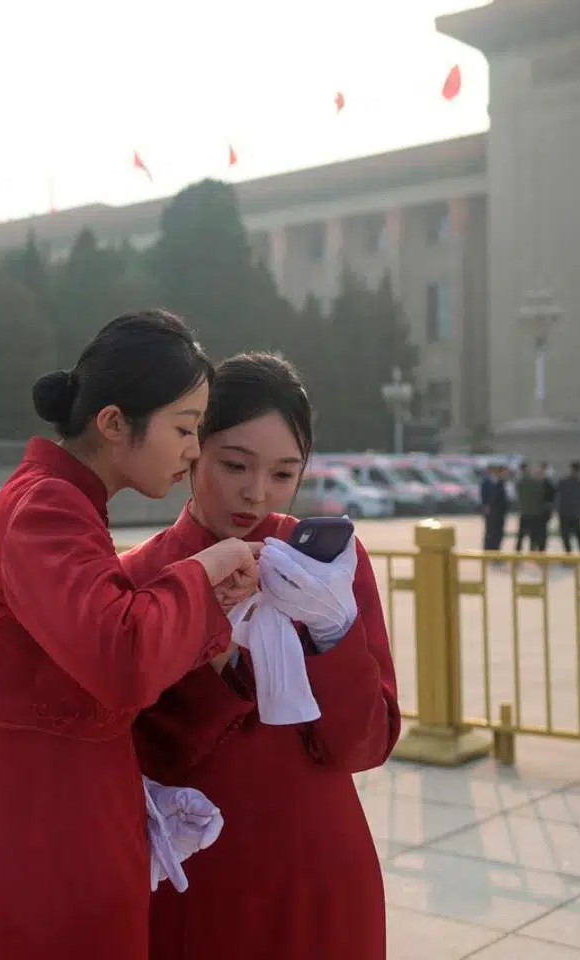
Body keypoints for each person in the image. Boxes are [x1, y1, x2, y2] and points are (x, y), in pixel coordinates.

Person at [0, 310, 261, 960]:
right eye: (182, 429)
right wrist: (200, 575)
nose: (193, 450)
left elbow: (101, 637)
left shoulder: (62, 503)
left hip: (60, 828)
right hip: (49, 851)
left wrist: (198, 609)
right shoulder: (47, 508)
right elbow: (120, 656)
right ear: (115, 423)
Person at [120, 352, 398, 960]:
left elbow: (366, 745)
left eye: (282, 473)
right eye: (235, 465)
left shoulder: (327, 570)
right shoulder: (138, 578)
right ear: (193, 451)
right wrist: (206, 635)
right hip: (203, 878)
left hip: (322, 871)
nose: (256, 493)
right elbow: (144, 754)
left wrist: (333, 634)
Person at [557, 461, 580, 553]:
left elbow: (558, 494)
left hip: (565, 512)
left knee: (566, 536)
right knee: (579, 536)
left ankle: (568, 555)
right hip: (575, 513)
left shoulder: (563, 481)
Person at [480, 464, 508, 551]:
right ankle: (488, 551)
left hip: (500, 512)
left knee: (498, 533)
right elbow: (485, 496)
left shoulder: (501, 482)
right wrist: (485, 506)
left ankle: (495, 551)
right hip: (492, 511)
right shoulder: (488, 482)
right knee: (490, 531)